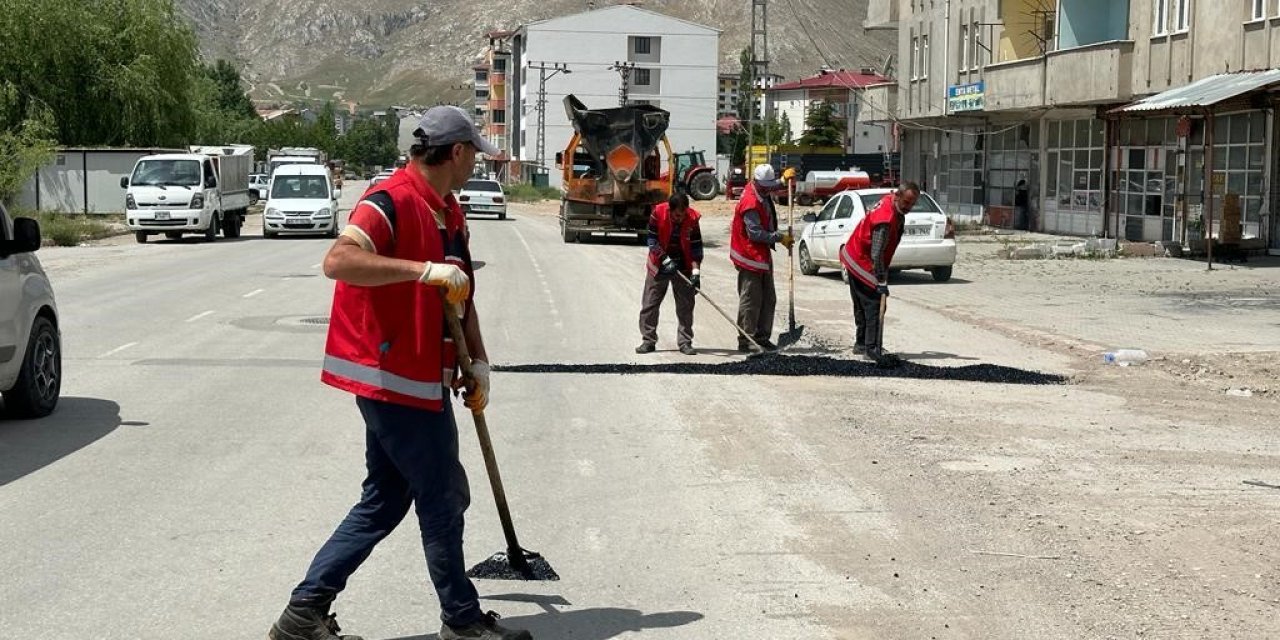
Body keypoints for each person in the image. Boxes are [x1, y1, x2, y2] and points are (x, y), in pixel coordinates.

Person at [268, 105, 532, 640]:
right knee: (443, 495)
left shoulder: (449, 212)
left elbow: (461, 296)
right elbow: (339, 261)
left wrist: (476, 362)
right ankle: (461, 619)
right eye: (474, 155)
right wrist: (421, 271)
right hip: (390, 376)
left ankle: (304, 612)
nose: (477, 164)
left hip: (423, 377)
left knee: (385, 499)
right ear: (456, 152)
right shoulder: (388, 200)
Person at [840, 182, 919, 368]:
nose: (908, 207)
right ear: (897, 196)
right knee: (874, 305)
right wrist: (881, 279)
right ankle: (871, 348)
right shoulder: (886, 219)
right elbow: (876, 253)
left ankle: (861, 343)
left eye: (912, 204)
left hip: (852, 254)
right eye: (906, 202)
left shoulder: (891, 202)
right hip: (861, 260)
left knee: (861, 304)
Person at [729, 163, 793, 352]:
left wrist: (783, 181)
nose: (768, 190)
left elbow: (770, 186)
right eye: (765, 186)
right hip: (748, 254)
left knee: (769, 298)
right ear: (756, 182)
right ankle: (746, 339)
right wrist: (779, 237)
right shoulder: (750, 202)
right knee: (751, 299)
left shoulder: (759, 189)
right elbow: (755, 234)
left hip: (761, 253)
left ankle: (762, 337)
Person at [636, 193, 704, 356]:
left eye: (683, 214)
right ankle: (648, 340)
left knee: (686, 306)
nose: (680, 218)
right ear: (670, 210)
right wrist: (665, 259)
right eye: (677, 215)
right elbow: (652, 241)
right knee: (650, 304)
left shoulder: (692, 219)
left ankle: (685, 342)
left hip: (683, 267)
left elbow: (696, 248)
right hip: (659, 265)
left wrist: (695, 273)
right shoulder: (658, 213)